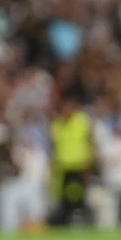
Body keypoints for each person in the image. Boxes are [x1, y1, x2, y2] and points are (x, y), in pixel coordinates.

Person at [49, 97, 95, 227]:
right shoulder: (57, 124)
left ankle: (85, 221)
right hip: (64, 168)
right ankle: (67, 222)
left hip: (81, 167)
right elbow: (55, 148)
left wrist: (90, 161)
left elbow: (91, 142)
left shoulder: (82, 121)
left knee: (82, 197)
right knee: (65, 199)